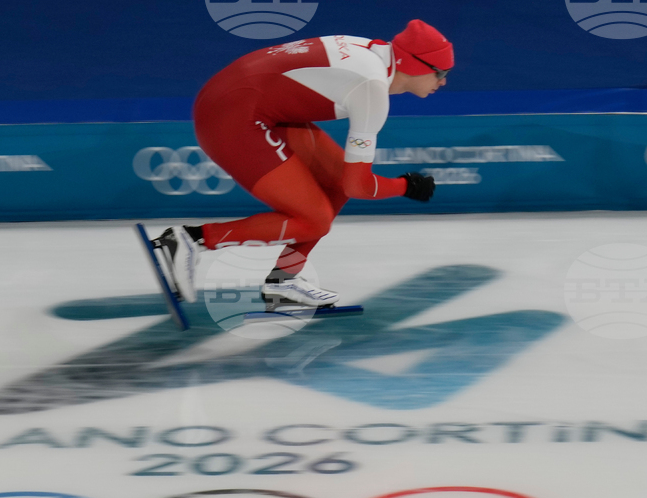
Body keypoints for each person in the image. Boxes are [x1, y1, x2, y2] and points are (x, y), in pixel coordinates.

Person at [154, 19, 453, 308]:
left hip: (238, 98)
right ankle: (192, 238)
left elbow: (346, 183)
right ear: (413, 65)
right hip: (232, 115)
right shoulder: (371, 88)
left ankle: (283, 280)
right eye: (440, 71)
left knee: (336, 183)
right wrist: (407, 186)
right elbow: (359, 185)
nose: (444, 81)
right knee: (314, 220)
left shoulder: (374, 54)